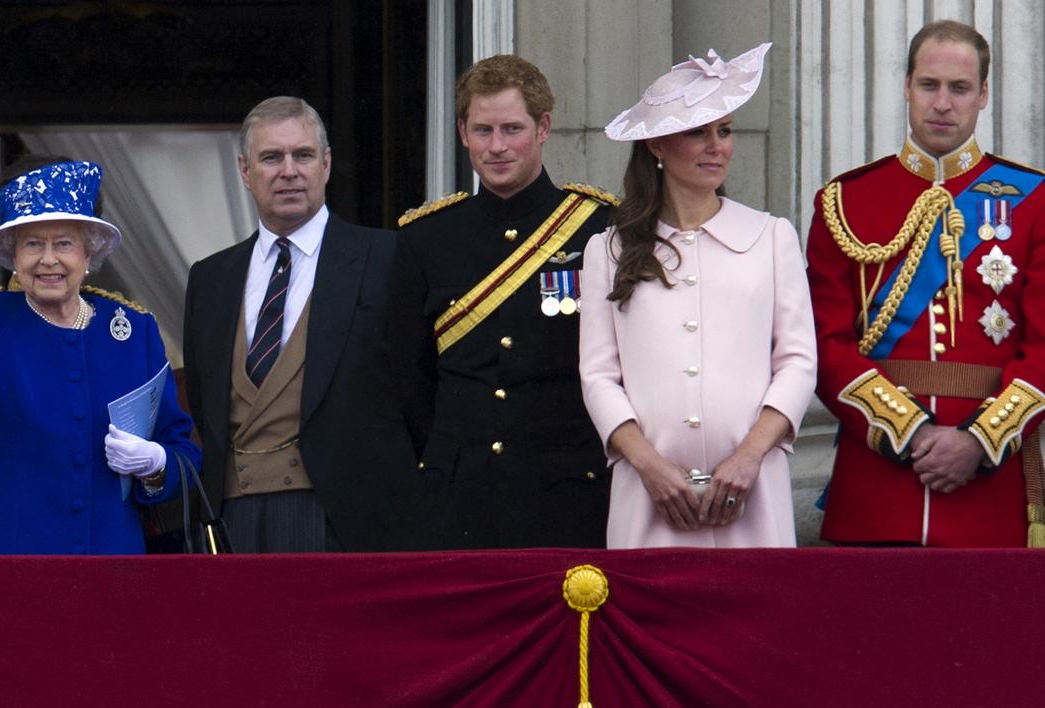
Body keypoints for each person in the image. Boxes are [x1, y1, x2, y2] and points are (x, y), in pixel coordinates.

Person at [807, 20, 1045, 548]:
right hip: (877, 490)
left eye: (959, 88)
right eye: (929, 85)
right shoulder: (844, 201)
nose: (942, 103)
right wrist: (909, 432)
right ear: (907, 87)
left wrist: (980, 442)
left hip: (988, 493)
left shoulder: (1034, 202)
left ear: (983, 95)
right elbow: (825, 345)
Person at [579, 43, 816, 548]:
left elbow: (797, 362)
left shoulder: (772, 236)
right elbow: (598, 375)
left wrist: (749, 457)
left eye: (724, 131)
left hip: (753, 491)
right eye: (697, 132)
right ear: (657, 147)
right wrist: (650, 467)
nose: (717, 146)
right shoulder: (608, 249)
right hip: (649, 495)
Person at [0, 160, 200, 554]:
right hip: (3, 562)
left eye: (64, 243)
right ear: (12, 255)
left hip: (109, 562)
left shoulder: (132, 330)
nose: (48, 259)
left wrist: (156, 463)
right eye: (32, 244)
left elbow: (182, 451)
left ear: (89, 253)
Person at [387, 55, 614, 549]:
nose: (497, 147)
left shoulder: (601, 229)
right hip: (460, 495)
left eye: (512, 129)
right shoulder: (425, 238)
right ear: (463, 132)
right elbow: (410, 376)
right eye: (483, 130)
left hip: (569, 492)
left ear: (543, 128)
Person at [183, 96, 416, 552]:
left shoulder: (387, 259)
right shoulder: (209, 278)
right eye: (271, 157)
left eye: (303, 155)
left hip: (345, 520)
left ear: (326, 165)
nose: (288, 170)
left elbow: (416, 393)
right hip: (231, 519)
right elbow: (204, 411)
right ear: (245, 171)